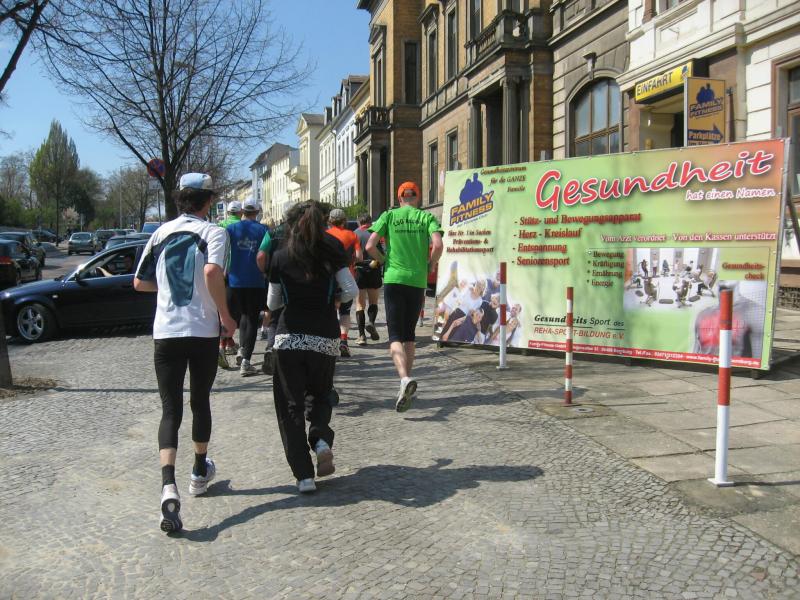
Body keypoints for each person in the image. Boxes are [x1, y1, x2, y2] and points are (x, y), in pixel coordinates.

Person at [134, 172, 236, 534]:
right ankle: (197, 472)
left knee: (170, 409)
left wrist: (168, 288)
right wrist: (225, 315)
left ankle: (168, 485)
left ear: (180, 199)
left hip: (166, 331)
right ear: (208, 201)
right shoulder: (214, 232)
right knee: (200, 401)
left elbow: (139, 282)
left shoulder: (159, 233)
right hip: (202, 330)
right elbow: (212, 271)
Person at [267, 200, 357, 493]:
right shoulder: (332, 248)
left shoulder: (281, 254)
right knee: (321, 394)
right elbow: (351, 289)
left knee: (290, 405)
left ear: (291, 223)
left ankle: (304, 476)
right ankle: (319, 439)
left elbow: (272, 302)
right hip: (325, 336)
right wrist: (334, 300)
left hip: (289, 337)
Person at [365, 181, 443, 412]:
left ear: (399, 198)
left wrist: (382, 260)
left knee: (395, 336)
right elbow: (438, 244)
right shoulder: (425, 217)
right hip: (417, 280)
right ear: (416, 198)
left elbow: (369, 245)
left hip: (394, 279)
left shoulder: (389, 216)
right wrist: (431, 264)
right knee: (409, 335)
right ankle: (405, 384)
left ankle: (404, 379)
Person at [226, 198, 268, 376]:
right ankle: (246, 361)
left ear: (242, 211)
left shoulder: (230, 229)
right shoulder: (264, 230)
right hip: (255, 280)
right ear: (257, 212)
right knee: (251, 318)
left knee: (243, 316)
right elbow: (265, 255)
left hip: (234, 280)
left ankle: (242, 350)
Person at [326, 208, 362, 357]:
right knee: (345, 312)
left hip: (328, 278)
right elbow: (359, 256)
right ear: (344, 220)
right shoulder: (352, 235)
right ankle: (343, 341)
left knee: (329, 311)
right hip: (347, 276)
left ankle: (329, 343)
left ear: (330, 221)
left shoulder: (325, 235)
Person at [217, 200, 242, 365]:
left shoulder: (220, 225)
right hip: (236, 272)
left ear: (228, 213)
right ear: (240, 212)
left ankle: (228, 342)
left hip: (220, 270)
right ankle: (223, 344)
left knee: (223, 309)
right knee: (234, 311)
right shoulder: (241, 226)